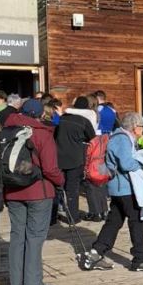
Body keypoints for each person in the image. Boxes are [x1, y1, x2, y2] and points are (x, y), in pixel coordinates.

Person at [80, 112, 143, 272]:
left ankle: (95, 254)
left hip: (119, 188)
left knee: (114, 222)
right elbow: (126, 164)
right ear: (135, 127)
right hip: (126, 188)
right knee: (137, 220)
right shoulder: (122, 139)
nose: (142, 129)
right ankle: (141, 259)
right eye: (141, 126)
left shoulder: (120, 137)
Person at [2, 99, 65, 285]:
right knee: (35, 238)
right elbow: (50, 169)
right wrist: (61, 181)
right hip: (39, 192)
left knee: (17, 236)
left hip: (12, 191)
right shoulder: (43, 134)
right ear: (40, 115)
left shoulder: (6, 131)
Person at [54, 96, 96, 224]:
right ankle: (73, 217)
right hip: (76, 158)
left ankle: (52, 217)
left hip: (59, 156)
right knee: (72, 188)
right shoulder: (83, 121)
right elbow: (92, 137)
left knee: (57, 186)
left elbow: (55, 135)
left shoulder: (62, 119)